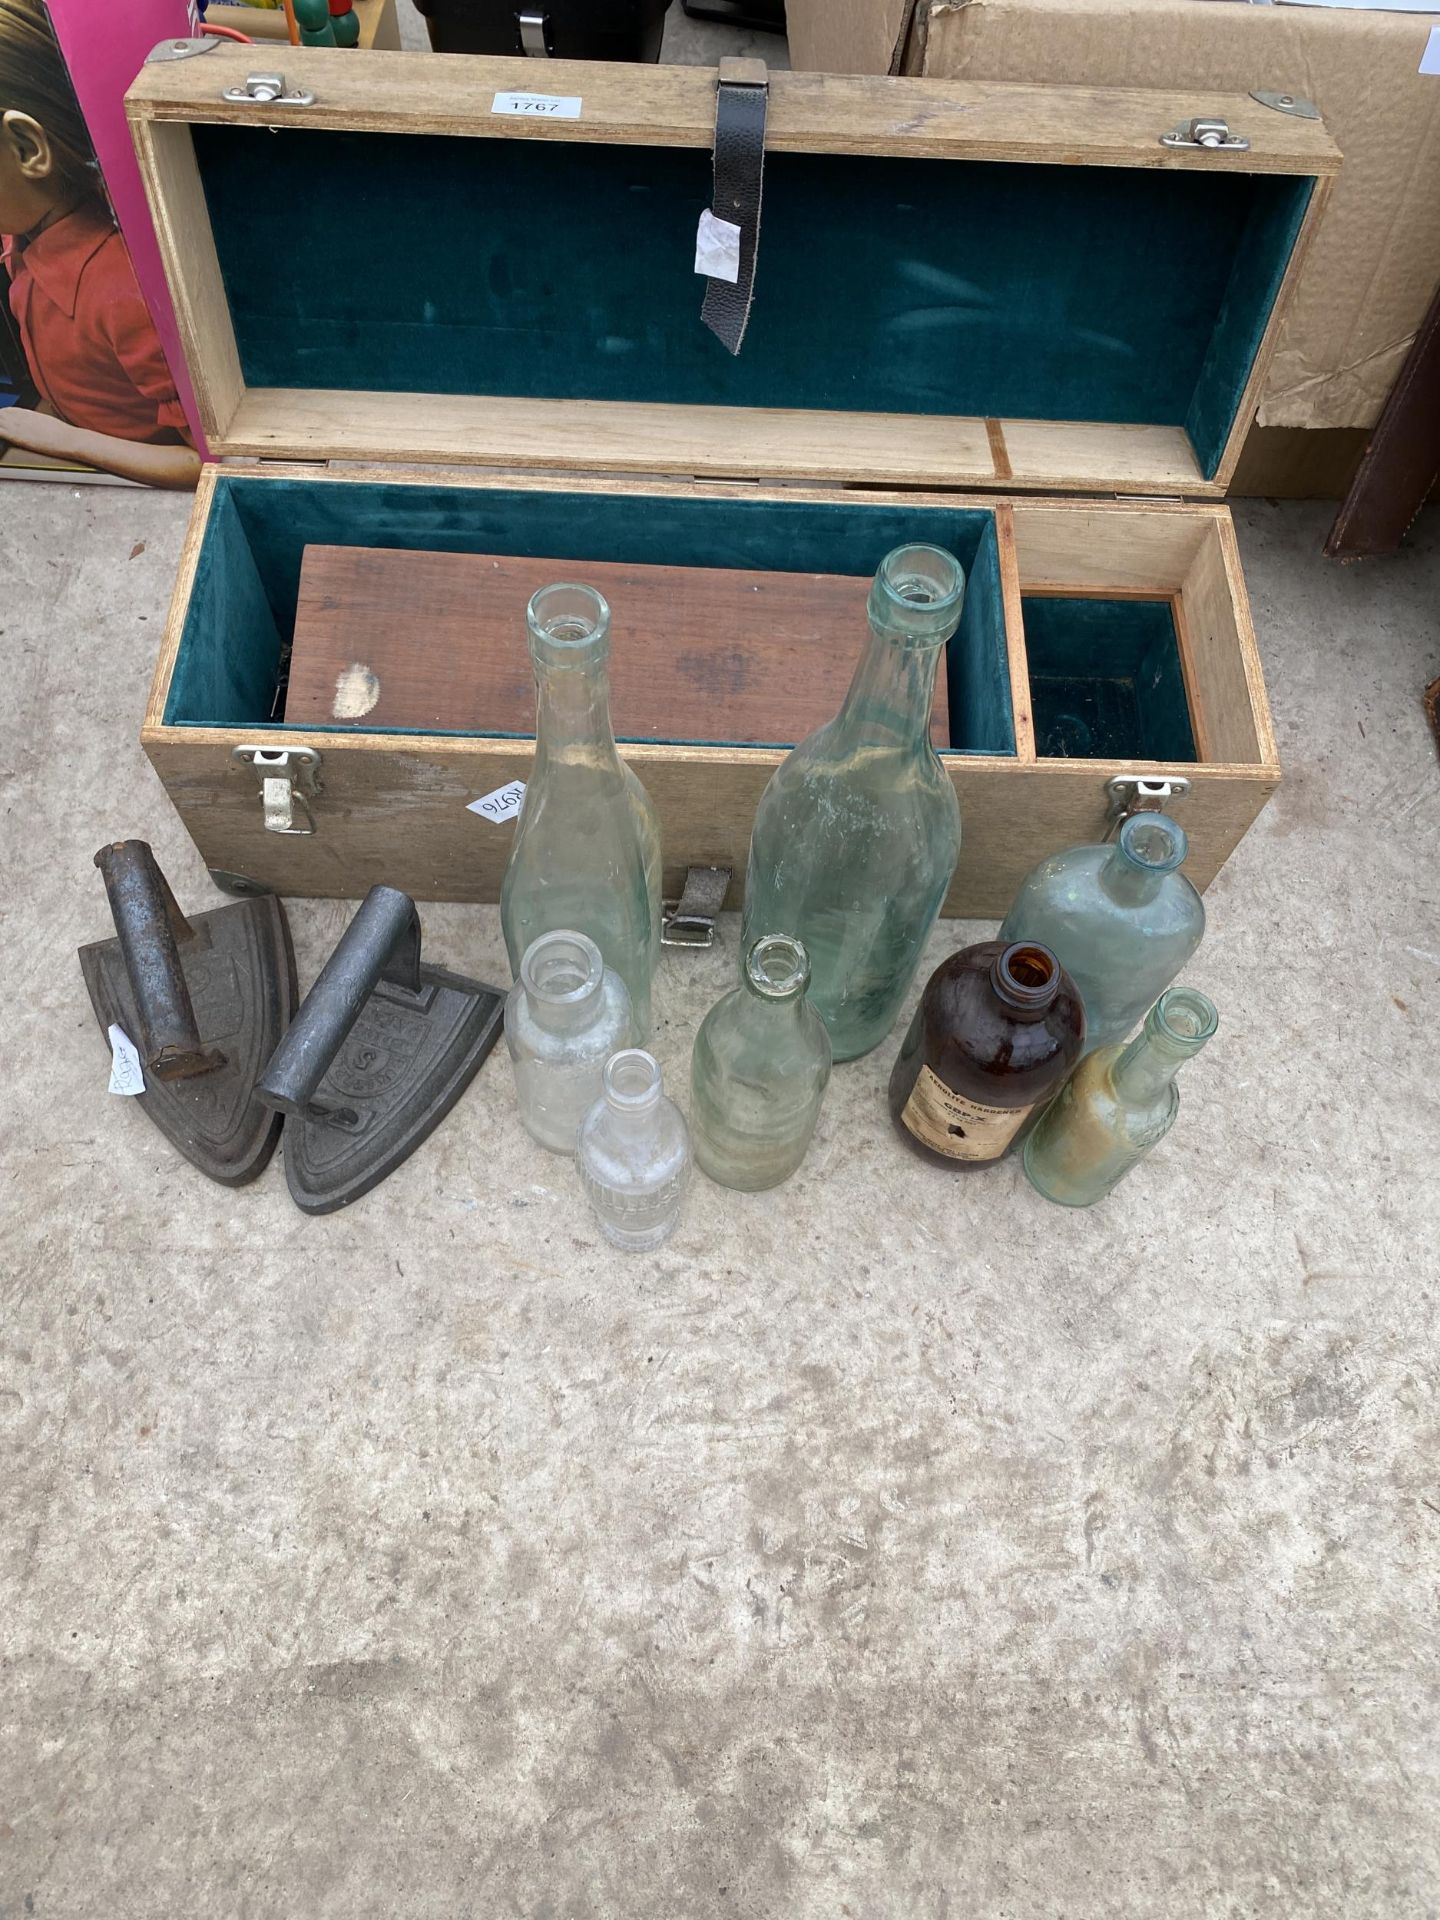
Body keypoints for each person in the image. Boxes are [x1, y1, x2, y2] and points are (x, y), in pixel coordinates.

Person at [0, 0, 198, 488]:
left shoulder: (124, 290)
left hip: (136, 485)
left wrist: (62, 439)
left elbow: (204, 462)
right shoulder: (26, 234)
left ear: (27, 149)